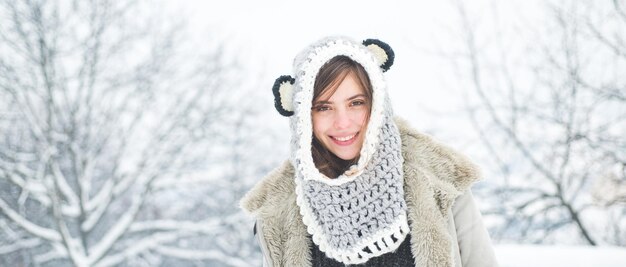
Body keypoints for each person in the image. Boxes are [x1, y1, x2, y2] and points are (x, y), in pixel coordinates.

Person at [240, 36, 498, 267]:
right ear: (302, 117)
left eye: (356, 103)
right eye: (323, 107)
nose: (343, 122)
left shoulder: (441, 181)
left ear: (377, 104)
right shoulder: (279, 210)